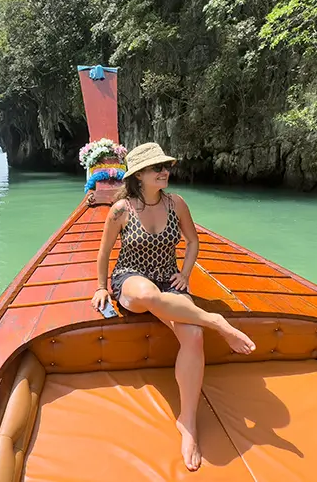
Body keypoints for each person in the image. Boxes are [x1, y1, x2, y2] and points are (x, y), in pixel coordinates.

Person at [91, 142, 256, 472]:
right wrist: (100, 287)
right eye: (156, 168)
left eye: (165, 166)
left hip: (169, 277)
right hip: (131, 277)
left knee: (193, 336)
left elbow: (193, 241)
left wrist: (184, 272)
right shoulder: (121, 210)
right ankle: (216, 321)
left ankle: (188, 422)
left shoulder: (176, 203)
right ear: (139, 176)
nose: (164, 171)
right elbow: (105, 251)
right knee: (147, 296)